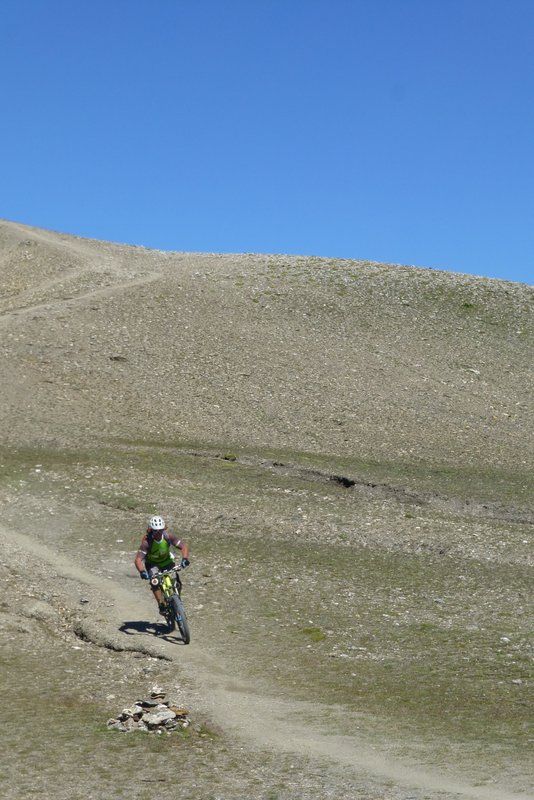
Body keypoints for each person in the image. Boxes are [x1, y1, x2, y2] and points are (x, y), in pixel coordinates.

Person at [134, 515, 190, 616]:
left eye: (160, 530)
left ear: (164, 529)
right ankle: (161, 604)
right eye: (155, 531)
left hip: (167, 562)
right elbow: (138, 559)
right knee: (154, 582)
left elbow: (183, 546)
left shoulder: (168, 537)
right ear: (151, 530)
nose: (158, 533)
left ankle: (177, 600)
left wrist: (185, 559)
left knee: (176, 582)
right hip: (153, 565)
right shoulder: (147, 543)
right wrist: (142, 571)